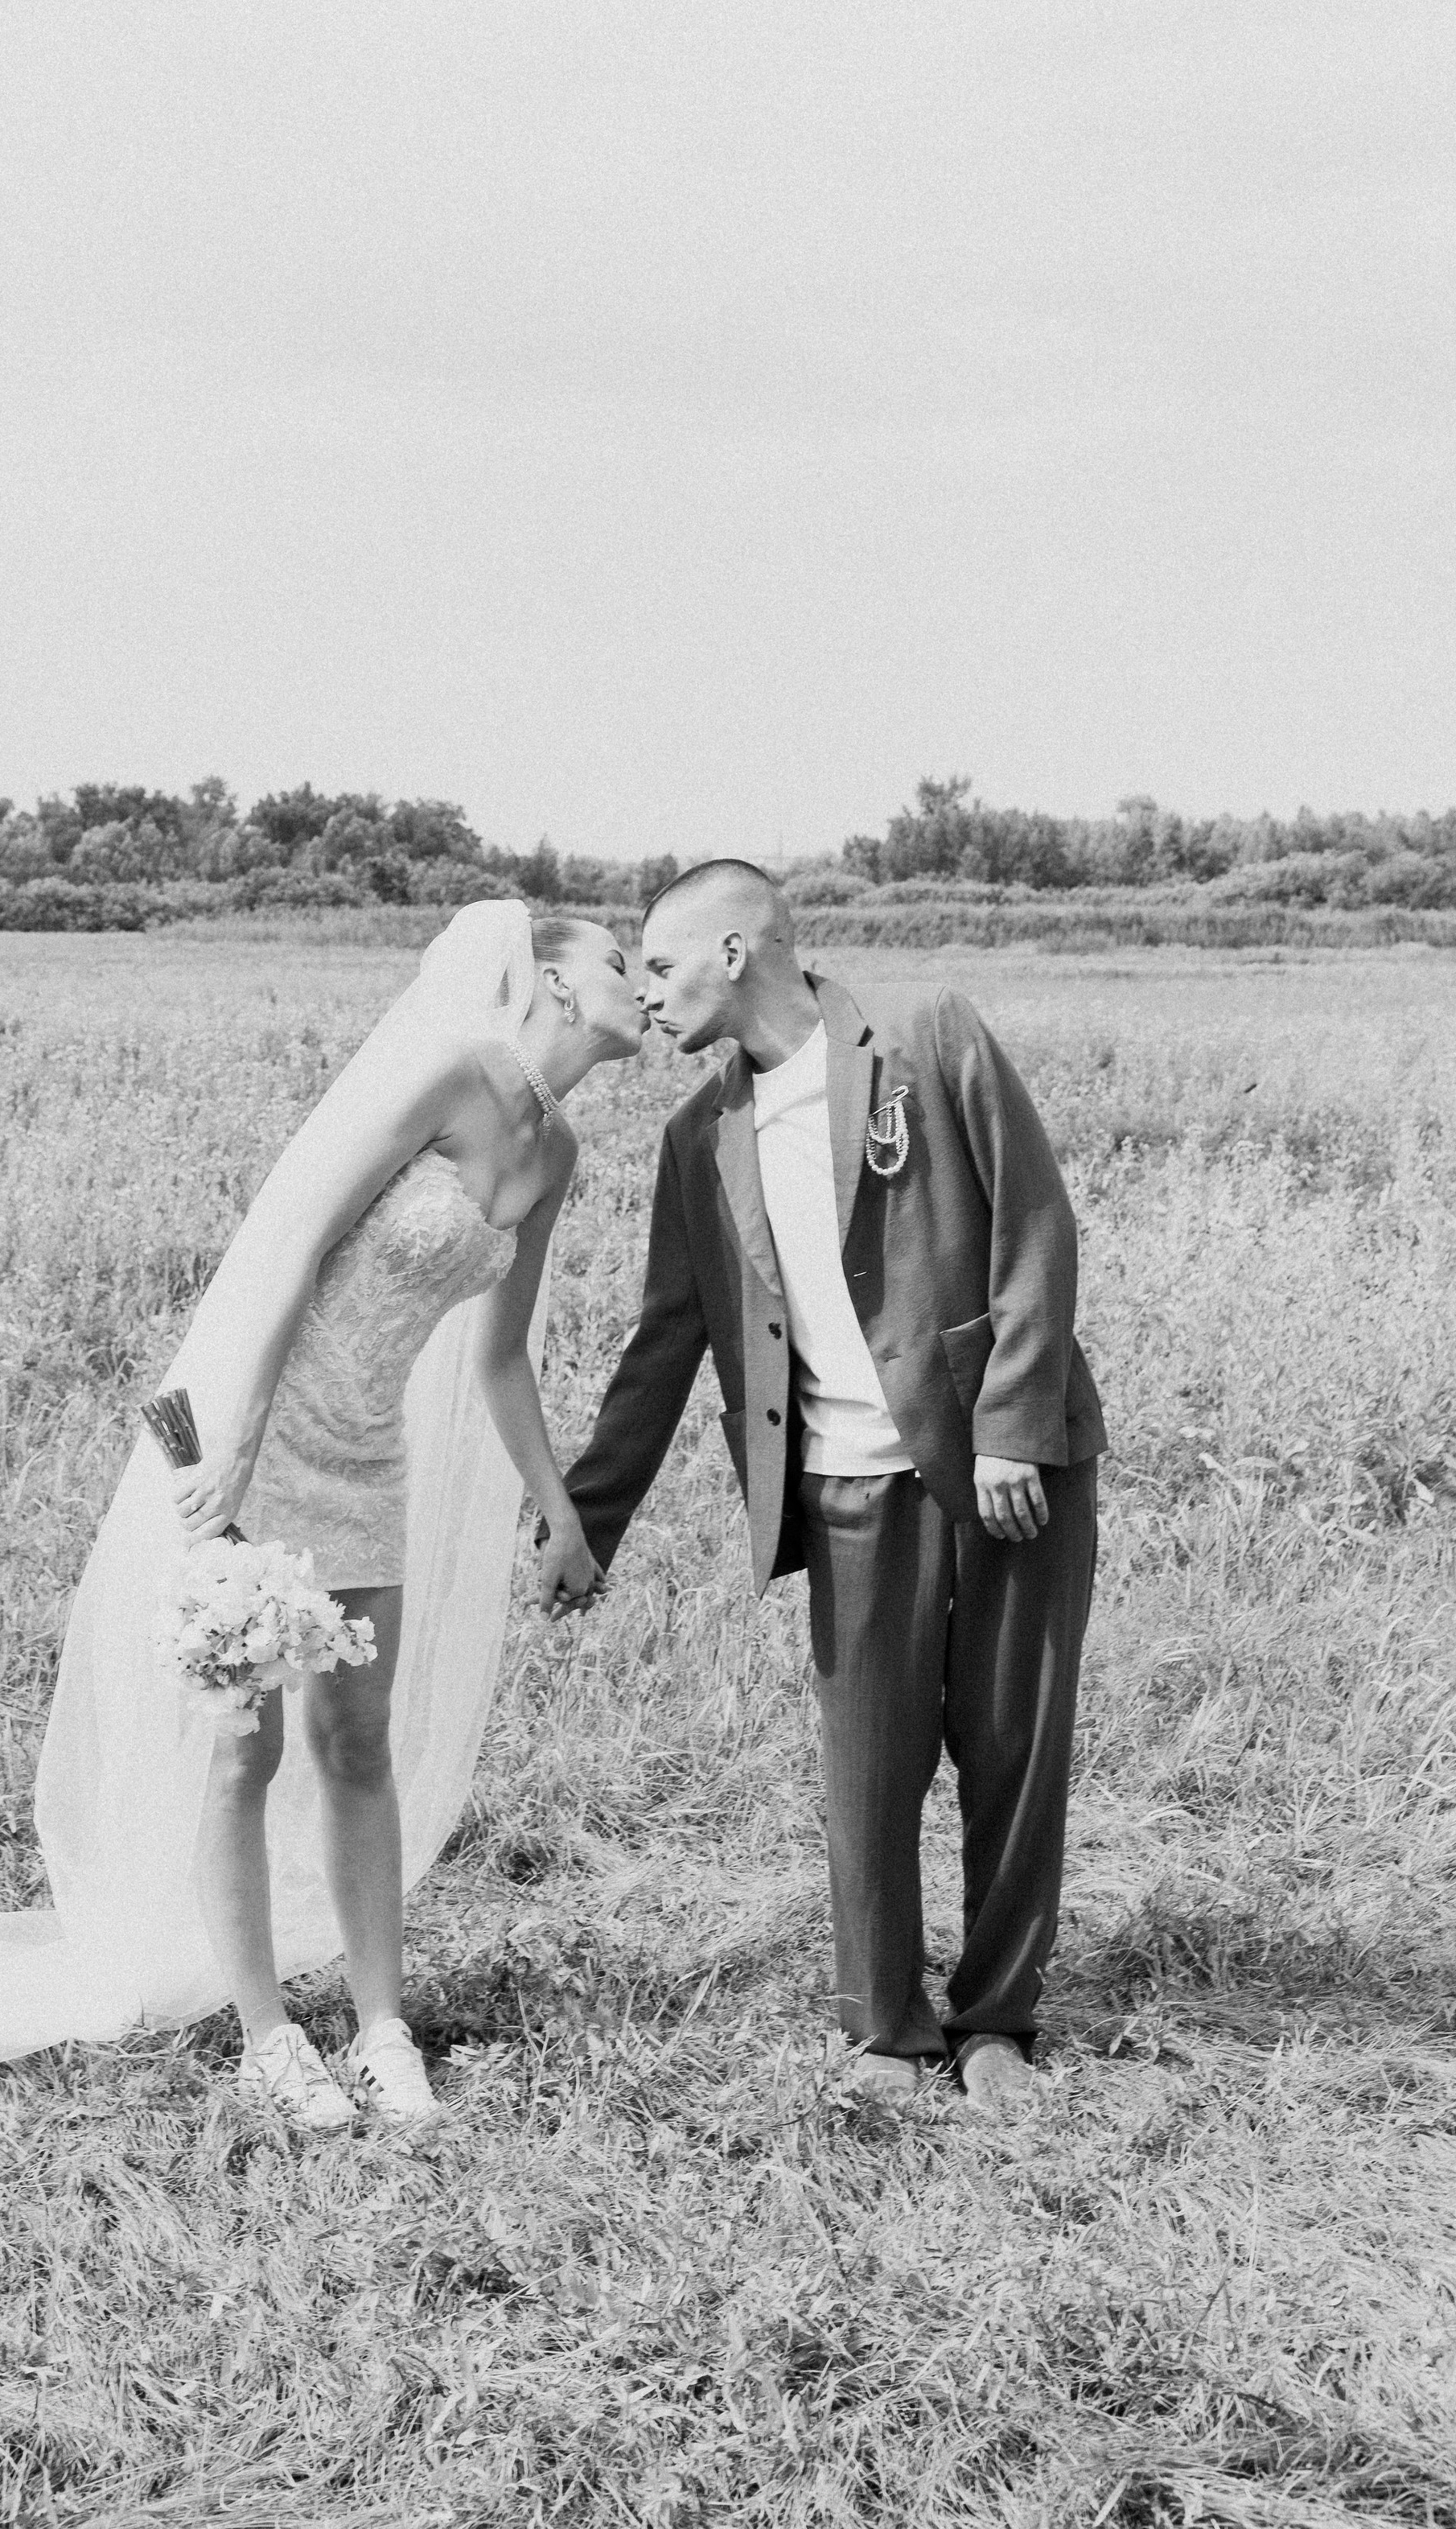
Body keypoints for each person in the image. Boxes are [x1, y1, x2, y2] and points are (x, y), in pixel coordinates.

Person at [0, 901, 644, 2126]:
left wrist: (559, 1512)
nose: (645, 985)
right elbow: (296, 1231)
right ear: (556, 986)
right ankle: (267, 2039)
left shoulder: (555, 1150)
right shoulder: (450, 1073)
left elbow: (499, 1356)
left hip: (370, 1457)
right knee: (244, 1747)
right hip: (265, 1435)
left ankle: (381, 2028)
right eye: (623, 963)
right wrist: (235, 1436)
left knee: (358, 1744)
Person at [551, 862, 1104, 2109]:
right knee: (868, 1770)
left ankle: (998, 2024)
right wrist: (587, 1524)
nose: (646, 995)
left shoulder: (929, 1034)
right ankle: (890, 2035)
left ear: (737, 950)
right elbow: (664, 1341)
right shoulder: (699, 1139)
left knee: (1018, 1750)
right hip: (845, 1488)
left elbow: (1034, 1225)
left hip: (1005, 1468)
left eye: (659, 965)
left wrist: (1013, 1425)